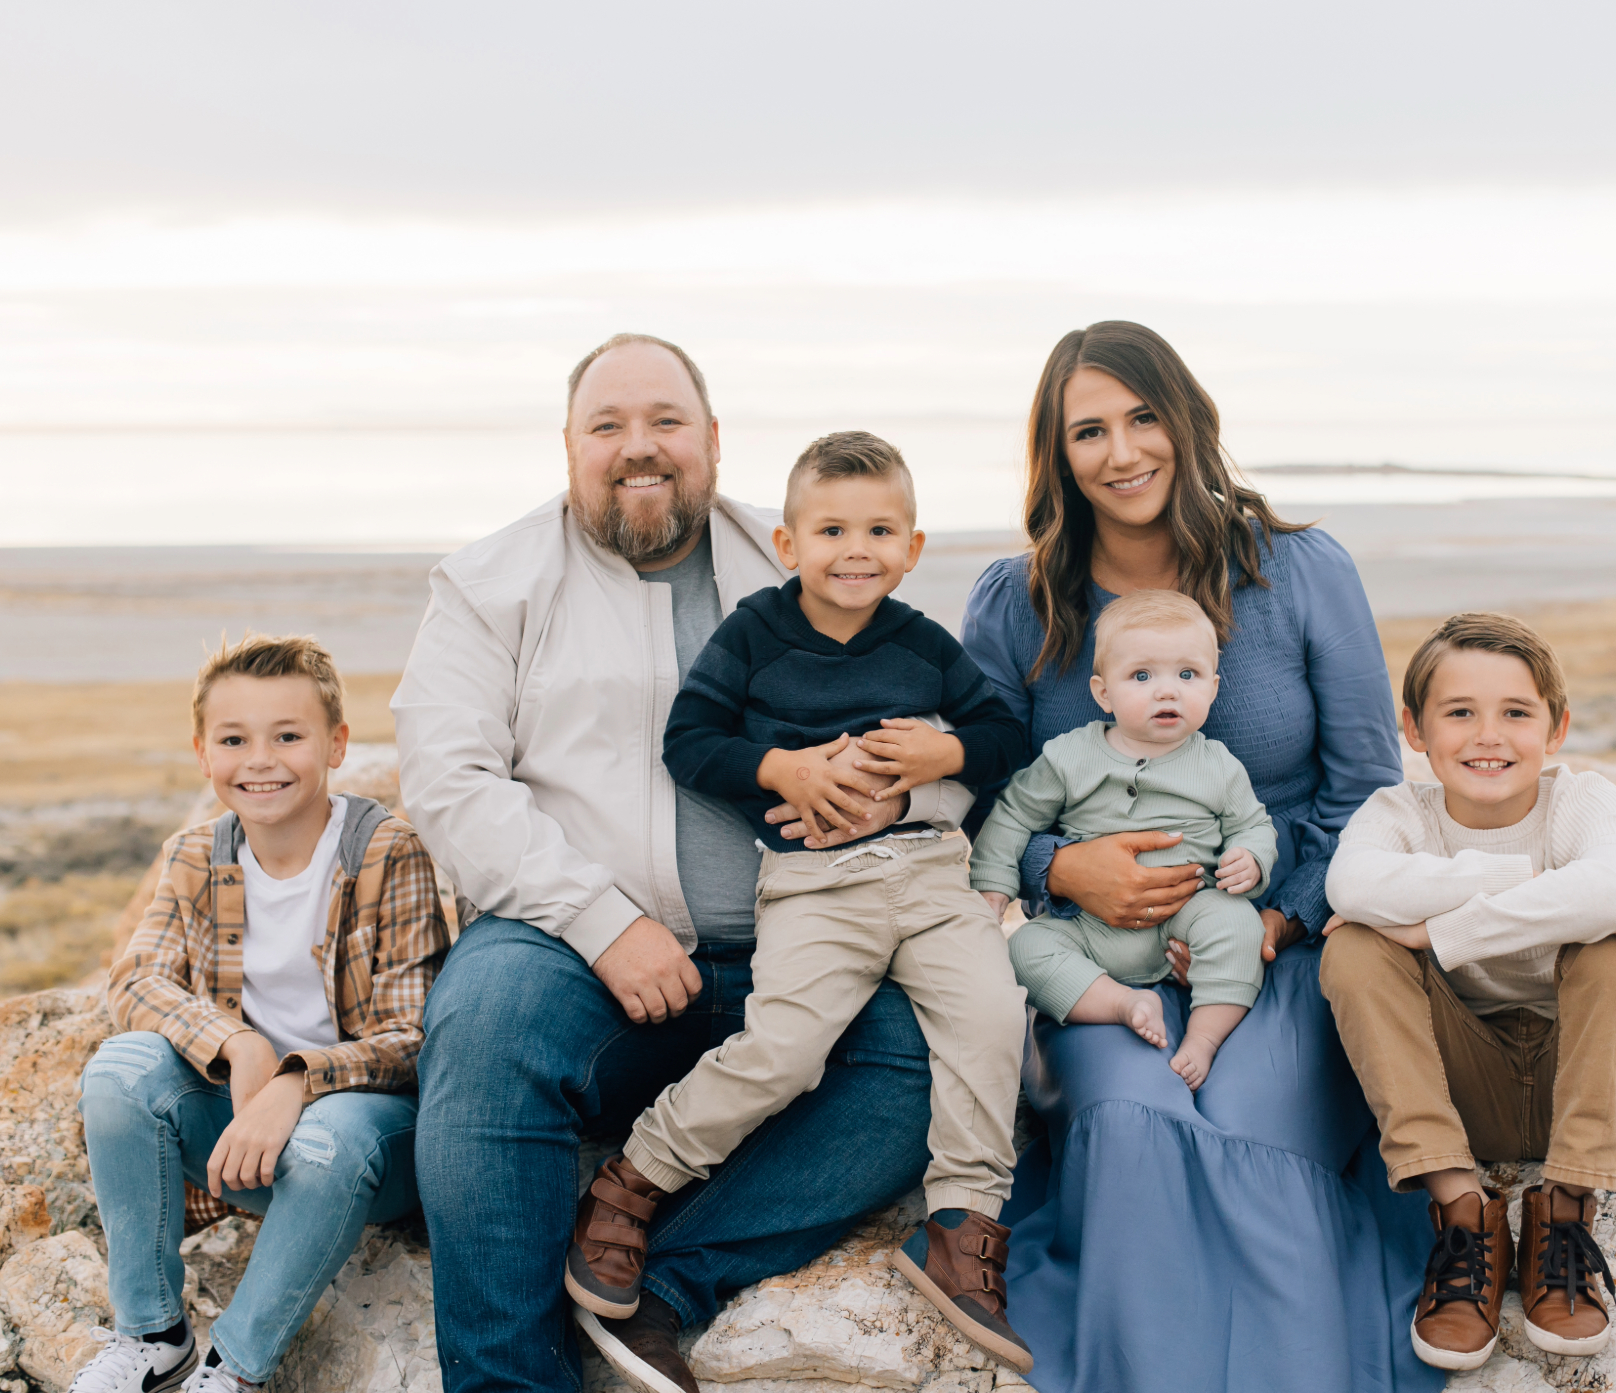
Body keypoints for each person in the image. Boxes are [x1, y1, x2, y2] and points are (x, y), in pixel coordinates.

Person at [394, 337, 975, 1393]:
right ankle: (510, 1380)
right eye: (606, 426)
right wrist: (598, 920)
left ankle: (654, 1285)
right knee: (481, 1037)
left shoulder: (807, 555)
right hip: (570, 954)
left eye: (664, 421)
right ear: (566, 448)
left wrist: (899, 791)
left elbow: (939, 732)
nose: (637, 448)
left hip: (804, 943)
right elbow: (448, 781)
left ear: (711, 440)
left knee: (918, 1062)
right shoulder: (488, 583)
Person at [959, 320, 1440, 1392]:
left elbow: (1362, 783)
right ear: (1056, 453)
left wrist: (1277, 917)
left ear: (1184, 420)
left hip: (1282, 947)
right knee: (1133, 1126)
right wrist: (1059, 872)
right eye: (1088, 430)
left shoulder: (1301, 571)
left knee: (1255, 1128)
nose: (1121, 450)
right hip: (1091, 957)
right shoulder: (1014, 600)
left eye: (1140, 417)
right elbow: (981, 794)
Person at [568, 431, 1034, 1374]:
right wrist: (777, 765)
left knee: (991, 1017)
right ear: (788, 545)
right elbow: (689, 739)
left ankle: (961, 1223)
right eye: (830, 529)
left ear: (912, 547)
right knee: (784, 1047)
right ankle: (635, 1179)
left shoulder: (924, 643)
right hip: (816, 886)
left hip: (933, 876)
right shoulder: (754, 634)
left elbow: (1000, 732)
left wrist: (944, 757)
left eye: (878, 530)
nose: (854, 549)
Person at [76, 634, 449, 1393]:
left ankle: (234, 1369)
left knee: (330, 1139)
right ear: (202, 752)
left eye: (288, 735)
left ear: (336, 743)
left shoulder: (386, 852)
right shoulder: (195, 854)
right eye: (234, 739)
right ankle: (153, 1336)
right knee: (119, 1070)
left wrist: (295, 1078)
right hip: (239, 1141)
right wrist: (240, 1045)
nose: (261, 760)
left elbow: (414, 1037)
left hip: (363, 1148)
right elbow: (137, 978)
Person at [1321, 612, 1616, 1370]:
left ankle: (1566, 1211)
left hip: (1586, 1081)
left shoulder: (1584, 802)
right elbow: (1350, 884)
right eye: (1459, 712)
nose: (1489, 735)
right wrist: (1525, 880)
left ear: (1557, 729)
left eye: (1516, 712)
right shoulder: (1397, 815)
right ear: (1414, 729)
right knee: (1352, 944)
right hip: (1458, 1086)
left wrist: (1444, 930)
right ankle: (1463, 1213)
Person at [969, 588, 1276, 1090]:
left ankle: (1205, 1036)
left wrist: (1251, 857)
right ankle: (1121, 1002)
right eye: (1141, 676)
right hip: (1090, 927)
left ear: (1214, 687)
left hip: (1189, 913)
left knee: (1239, 926)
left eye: (1187, 675)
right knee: (1025, 949)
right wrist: (993, 883)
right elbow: (1013, 815)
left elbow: (1253, 824)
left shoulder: (1218, 765)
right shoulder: (1069, 757)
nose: (1167, 691)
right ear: (1103, 692)